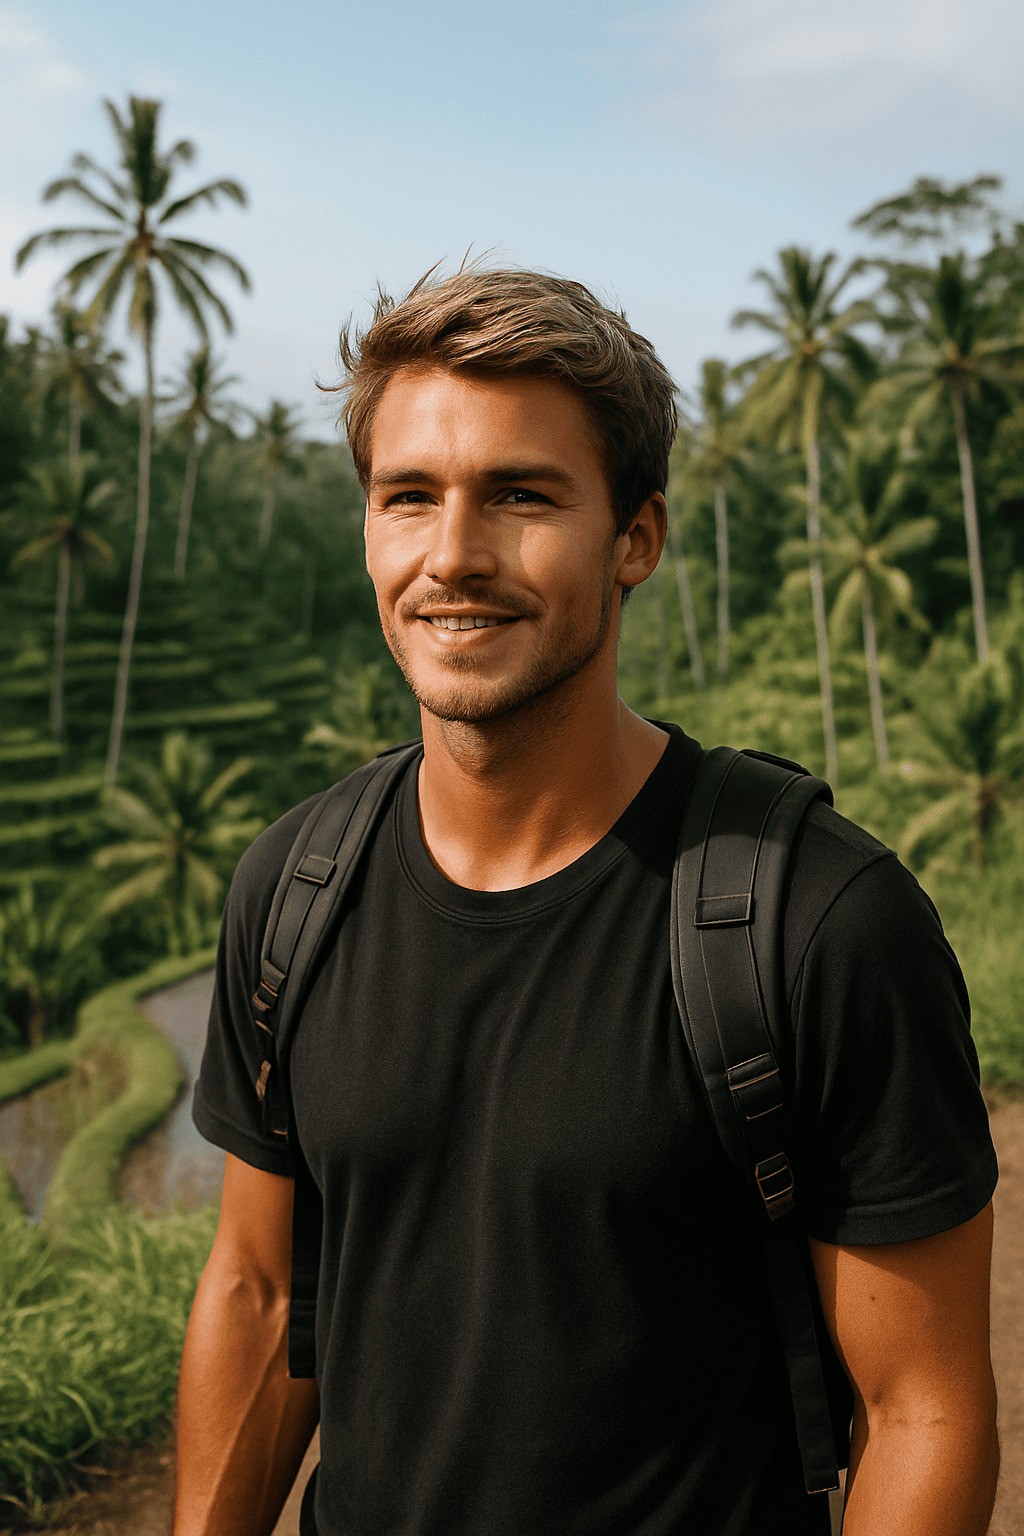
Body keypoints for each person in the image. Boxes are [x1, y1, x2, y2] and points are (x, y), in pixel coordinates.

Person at [174, 267, 1000, 1536]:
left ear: (636, 539)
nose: (452, 555)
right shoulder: (294, 889)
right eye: (409, 496)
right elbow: (259, 1291)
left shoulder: (821, 923)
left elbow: (923, 1408)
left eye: (520, 495)